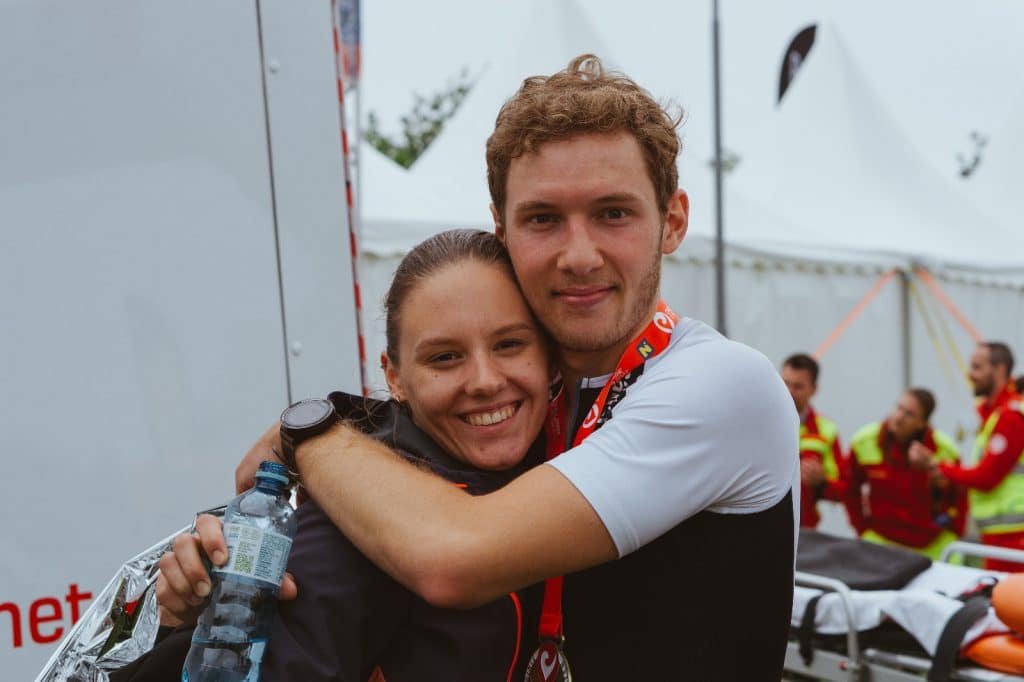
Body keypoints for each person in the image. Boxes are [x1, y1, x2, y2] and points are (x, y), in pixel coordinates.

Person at [163, 54, 799, 680]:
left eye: (614, 213)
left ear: (673, 221)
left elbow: (453, 555)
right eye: (544, 219)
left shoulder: (723, 386)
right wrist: (218, 583)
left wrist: (306, 432)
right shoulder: (521, 409)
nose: (579, 255)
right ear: (502, 231)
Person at [131, 230, 551, 681]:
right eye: (445, 357)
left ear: (550, 352)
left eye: (509, 344)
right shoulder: (352, 524)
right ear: (395, 377)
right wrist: (192, 616)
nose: (486, 381)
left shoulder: (570, 454)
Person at [911, 342, 1024, 571]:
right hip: (1000, 534)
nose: (970, 375)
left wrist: (937, 467)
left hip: (1014, 536)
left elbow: (987, 477)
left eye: (977, 367)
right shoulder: (992, 414)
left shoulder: (1010, 417)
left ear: (1000, 369)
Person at [846, 388, 966, 559]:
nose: (899, 417)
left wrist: (954, 532)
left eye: (909, 414)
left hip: (930, 546)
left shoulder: (945, 450)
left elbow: (960, 496)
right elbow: (850, 489)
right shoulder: (865, 440)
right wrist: (861, 529)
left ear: (922, 423)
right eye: (898, 407)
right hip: (881, 540)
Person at [781, 352, 847, 528]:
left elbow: (843, 491)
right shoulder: (760, 421)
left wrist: (822, 482)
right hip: (759, 524)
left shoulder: (826, 431)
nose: (789, 391)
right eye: (785, 382)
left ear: (814, 389)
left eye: (798, 386)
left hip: (803, 530)